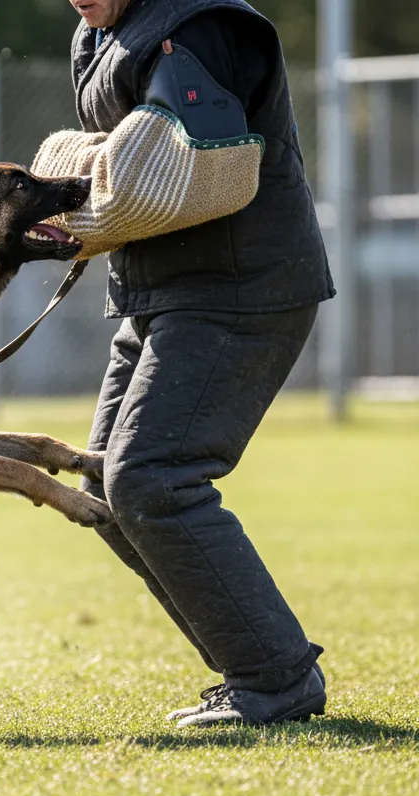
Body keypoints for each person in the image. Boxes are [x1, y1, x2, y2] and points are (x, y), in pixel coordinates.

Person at [66, 0, 333, 726]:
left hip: (242, 288)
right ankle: (255, 670)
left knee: (151, 477)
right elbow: (133, 163)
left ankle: (274, 680)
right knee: (105, 485)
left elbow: (196, 160)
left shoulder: (203, 22)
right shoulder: (99, 33)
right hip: (162, 293)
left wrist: (85, 193)